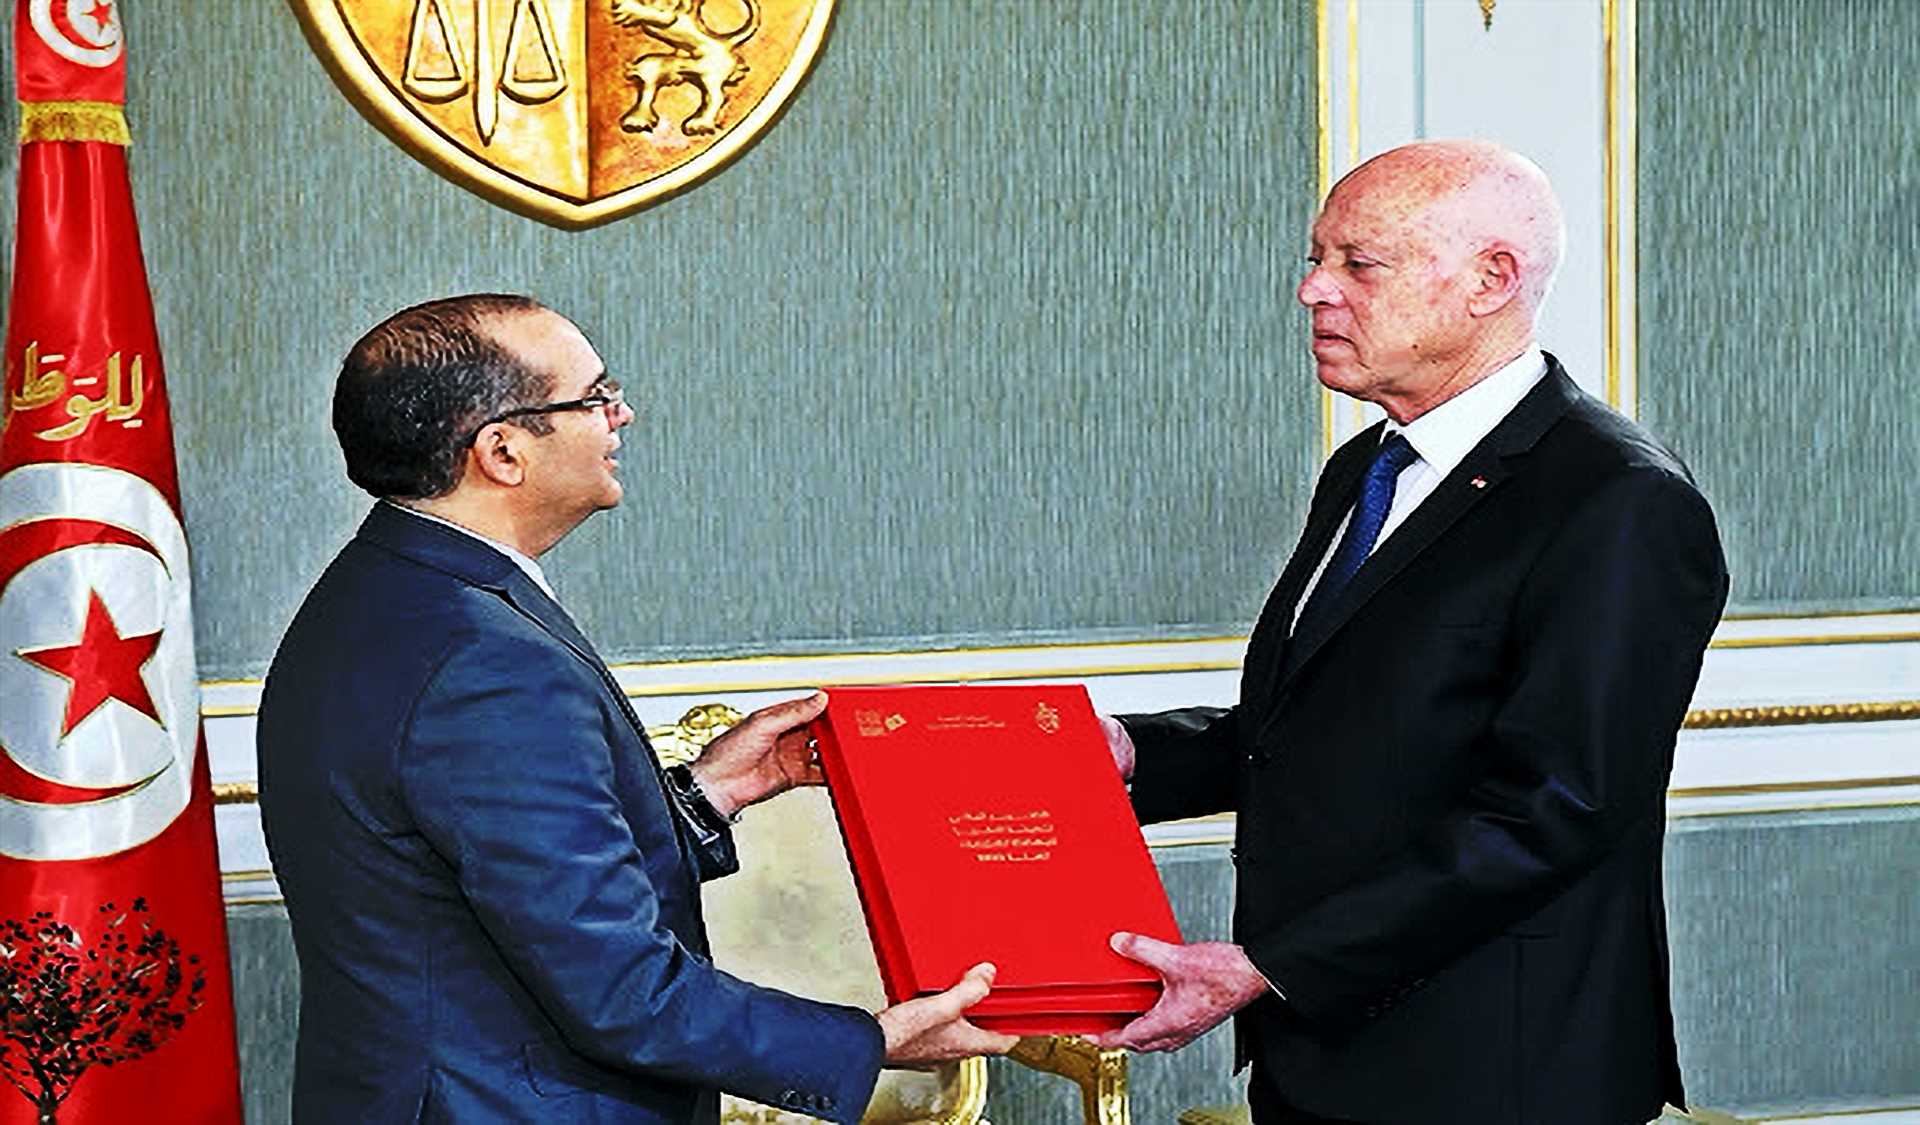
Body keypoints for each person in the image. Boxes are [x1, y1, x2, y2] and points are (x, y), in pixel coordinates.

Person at [257, 294, 1016, 1124]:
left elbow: (480, 874)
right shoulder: (487, 659)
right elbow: (623, 993)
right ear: (503, 451)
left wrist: (705, 795)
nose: (621, 415)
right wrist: (866, 1040)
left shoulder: (378, 591)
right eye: (595, 396)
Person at [1093, 141, 1729, 1125]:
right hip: (1321, 1056)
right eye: (1315, 258)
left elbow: (1554, 808)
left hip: (1496, 1073)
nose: (1313, 290)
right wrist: (1132, 754)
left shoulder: (1619, 500)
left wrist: (1273, 966)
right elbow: (1338, 727)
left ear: (1492, 280)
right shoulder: (1367, 469)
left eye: (1360, 263)